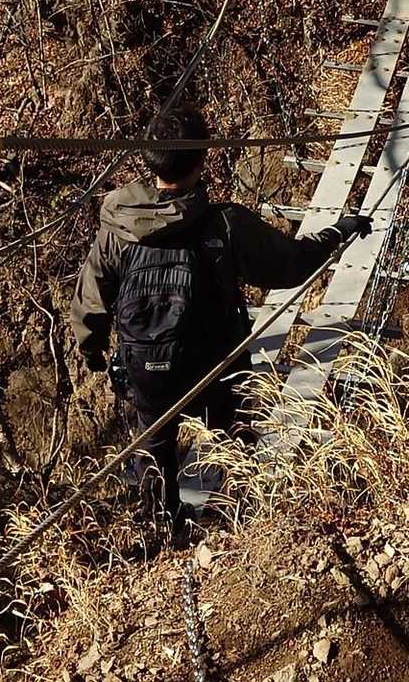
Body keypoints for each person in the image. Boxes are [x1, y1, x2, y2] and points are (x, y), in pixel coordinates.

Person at [70, 105, 371, 542]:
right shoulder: (225, 224)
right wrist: (338, 231)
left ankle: (162, 529)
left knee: (154, 444)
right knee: (233, 437)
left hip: (147, 367)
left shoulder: (117, 228)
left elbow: (90, 297)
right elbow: (291, 265)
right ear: (201, 161)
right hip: (214, 364)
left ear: (151, 161)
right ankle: (241, 527)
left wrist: (93, 350)